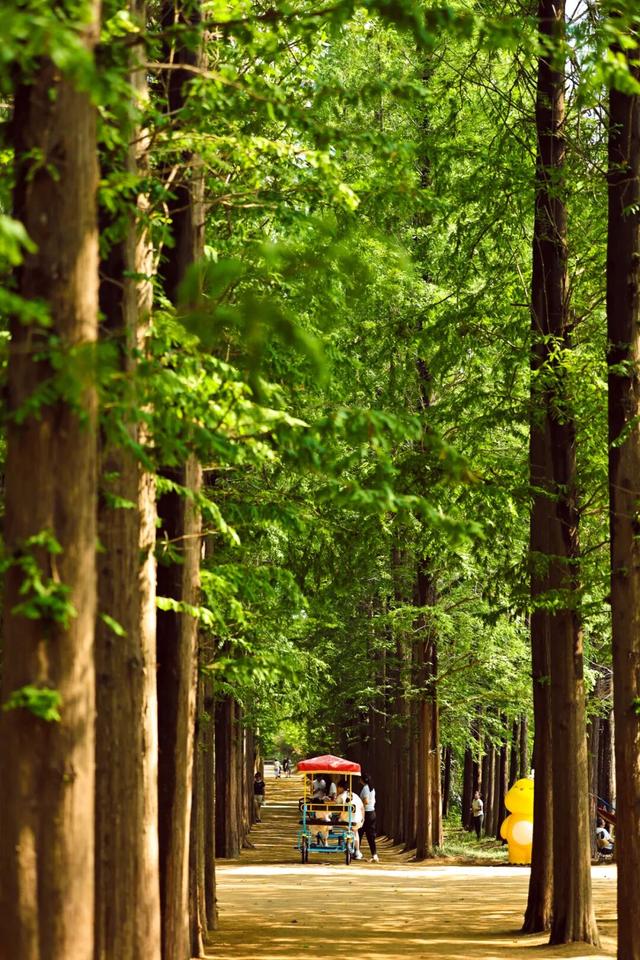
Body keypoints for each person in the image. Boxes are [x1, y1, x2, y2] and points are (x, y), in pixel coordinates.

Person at [336, 778, 365, 859]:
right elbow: (362, 807)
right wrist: (363, 818)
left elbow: (336, 809)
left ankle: (346, 844)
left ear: (341, 787)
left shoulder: (341, 796)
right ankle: (357, 851)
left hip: (346, 820)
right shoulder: (355, 795)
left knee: (343, 825)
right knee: (355, 832)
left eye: (338, 787)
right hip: (357, 820)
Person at [359, 773, 379, 862]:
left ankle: (356, 852)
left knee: (360, 832)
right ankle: (374, 855)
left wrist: (360, 806)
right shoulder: (372, 788)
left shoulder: (366, 788)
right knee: (369, 835)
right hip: (372, 813)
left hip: (366, 813)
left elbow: (366, 801)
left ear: (363, 780)